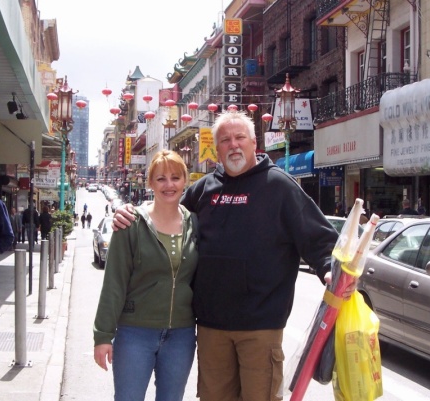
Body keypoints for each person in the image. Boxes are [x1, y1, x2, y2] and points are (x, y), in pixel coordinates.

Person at [113, 111, 356, 401]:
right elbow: (166, 215)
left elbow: (320, 239)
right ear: (216, 150)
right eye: (225, 140)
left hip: (260, 325)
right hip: (211, 325)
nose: (233, 145)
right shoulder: (203, 189)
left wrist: (331, 269)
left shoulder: (280, 186)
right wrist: (130, 213)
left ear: (255, 142)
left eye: (240, 137)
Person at [93, 150, 198, 401]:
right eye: (161, 178)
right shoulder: (130, 224)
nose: (169, 185)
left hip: (181, 335)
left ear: (185, 181)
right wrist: (103, 335)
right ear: (150, 183)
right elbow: (114, 283)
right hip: (135, 333)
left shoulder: (195, 223)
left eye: (175, 177)